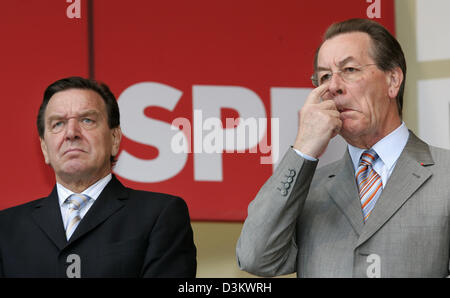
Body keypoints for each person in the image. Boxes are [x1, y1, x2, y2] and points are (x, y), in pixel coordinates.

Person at [236, 18, 450, 278]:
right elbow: (255, 257)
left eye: (349, 69)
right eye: (324, 76)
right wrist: (303, 149)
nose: (333, 86)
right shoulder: (309, 187)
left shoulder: (445, 174)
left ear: (393, 80)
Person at [0, 77, 197, 277]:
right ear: (45, 149)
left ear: (114, 139)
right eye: (58, 123)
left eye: (87, 120)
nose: (71, 133)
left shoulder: (160, 215)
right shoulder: (5, 228)